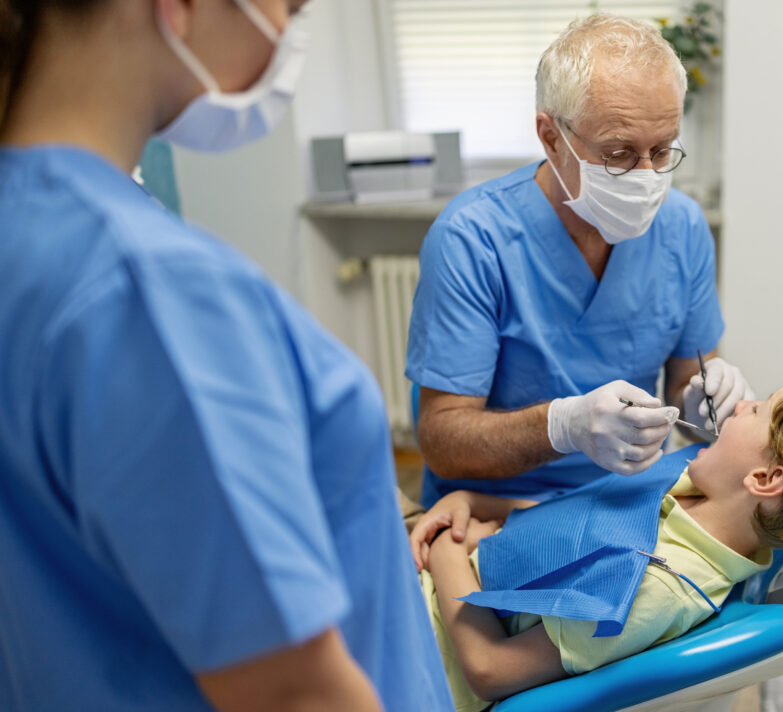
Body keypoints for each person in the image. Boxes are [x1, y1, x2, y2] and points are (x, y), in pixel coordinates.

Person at [0, 1, 451, 710]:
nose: (286, 38)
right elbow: (292, 693)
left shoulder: (32, 233)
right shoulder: (146, 288)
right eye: (289, 8)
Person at [409, 373, 783, 711]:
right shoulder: (687, 486)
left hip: (423, 648)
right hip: (448, 562)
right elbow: (569, 519)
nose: (741, 404)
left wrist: (449, 549)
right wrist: (471, 502)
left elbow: (489, 670)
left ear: (766, 480)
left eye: (759, 410)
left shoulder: (657, 587)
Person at [405, 13, 754, 510]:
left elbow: (687, 378)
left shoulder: (681, 226)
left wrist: (705, 402)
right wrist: (562, 427)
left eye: (662, 149)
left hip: (628, 502)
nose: (647, 175)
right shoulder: (472, 239)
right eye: (619, 153)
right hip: (498, 511)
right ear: (551, 137)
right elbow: (443, 442)